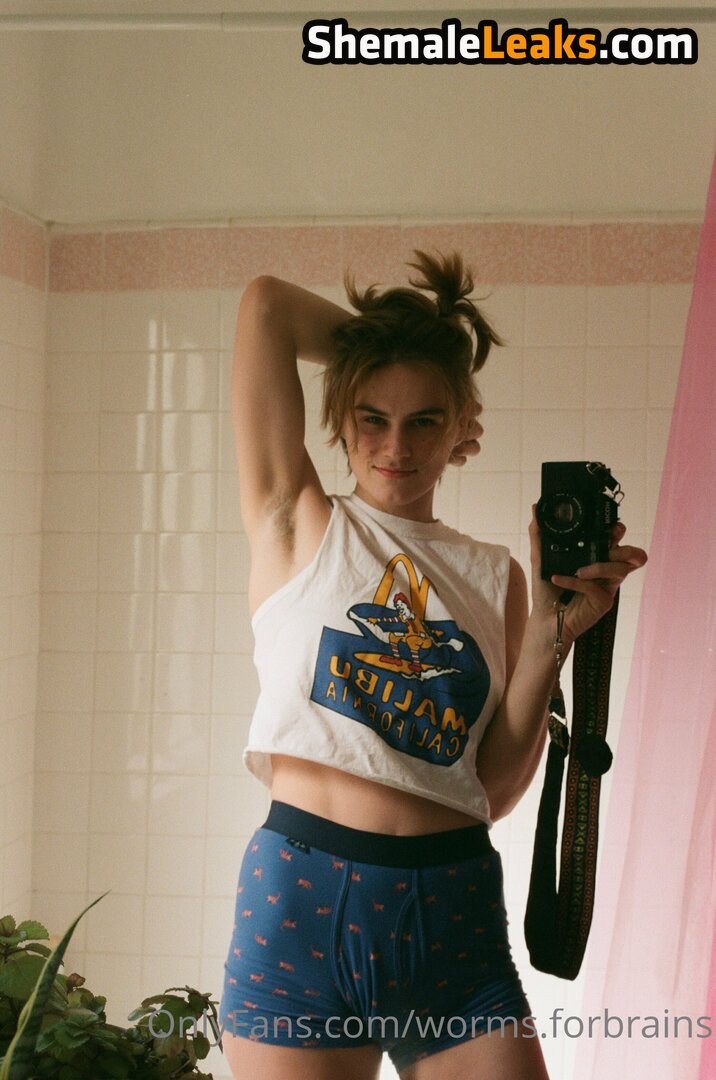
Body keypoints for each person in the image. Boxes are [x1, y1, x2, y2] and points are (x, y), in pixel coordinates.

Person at [219, 251, 647, 1080]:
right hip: (299, 914)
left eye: (425, 420)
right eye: (372, 417)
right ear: (341, 420)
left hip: (452, 915)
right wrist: (410, 352)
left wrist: (553, 636)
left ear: (460, 428)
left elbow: (491, 786)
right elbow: (266, 307)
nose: (396, 445)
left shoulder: (497, 576)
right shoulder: (295, 521)